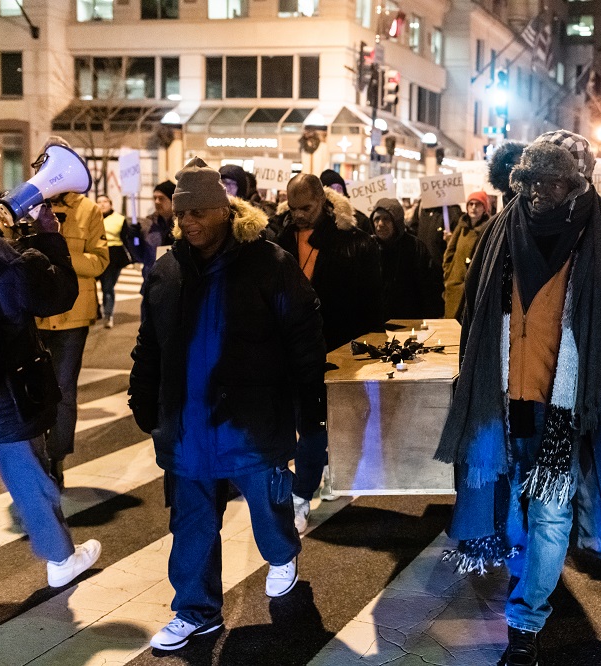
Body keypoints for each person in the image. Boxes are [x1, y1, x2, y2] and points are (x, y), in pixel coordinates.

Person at [435, 131, 601, 666]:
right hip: (503, 403)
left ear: (576, 184)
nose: (536, 193)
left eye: (550, 181)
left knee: (551, 514)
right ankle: (528, 570)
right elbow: (471, 319)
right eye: (527, 180)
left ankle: (525, 620)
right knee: (513, 510)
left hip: (565, 408)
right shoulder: (497, 236)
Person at [129, 158, 326, 651]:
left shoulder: (268, 263)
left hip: (251, 422)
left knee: (268, 508)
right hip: (188, 424)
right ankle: (196, 610)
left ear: (223, 211)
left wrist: (310, 406)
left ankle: (282, 553)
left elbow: (304, 334)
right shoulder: (168, 271)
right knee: (192, 523)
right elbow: (149, 341)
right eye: (181, 215)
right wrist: (142, 392)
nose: (188, 223)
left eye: (197, 213)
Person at [0, 174, 102, 589]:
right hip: (0, 393)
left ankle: (62, 556)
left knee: (25, 470)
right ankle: (60, 557)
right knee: (26, 473)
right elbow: (56, 295)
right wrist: (48, 240)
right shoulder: (2, 259)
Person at [265, 174, 382, 526]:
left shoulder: (355, 242)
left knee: (316, 427)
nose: (299, 214)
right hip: (285, 350)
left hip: (333, 351)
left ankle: (301, 495)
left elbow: (372, 305)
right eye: (294, 207)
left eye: (307, 207)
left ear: (323, 199)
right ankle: (301, 487)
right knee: (295, 425)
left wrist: (364, 351)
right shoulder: (277, 239)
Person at [32, 138, 110, 489]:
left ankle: (56, 459)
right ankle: (36, 460)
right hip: (32, 313)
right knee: (31, 388)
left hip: (72, 316)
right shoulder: (27, 203)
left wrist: (58, 252)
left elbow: (100, 261)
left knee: (63, 390)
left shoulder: (88, 210)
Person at [371, 197, 444, 319]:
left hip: (411, 321)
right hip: (377, 323)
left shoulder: (415, 247)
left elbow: (430, 286)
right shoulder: (369, 247)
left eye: (386, 219)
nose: (380, 224)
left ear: (396, 221)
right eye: (377, 219)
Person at [442, 191, 492, 319]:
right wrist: (448, 272)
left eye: (478, 204)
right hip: (455, 283)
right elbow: (450, 251)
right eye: (471, 204)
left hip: (473, 287)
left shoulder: (488, 228)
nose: (474, 208)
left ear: (484, 208)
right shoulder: (462, 225)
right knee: (450, 324)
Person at [131, 180, 176, 281]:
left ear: (173, 200)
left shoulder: (183, 223)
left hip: (175, 283)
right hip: (151, 282)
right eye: (154, 198)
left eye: (161, 198)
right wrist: (133, 239)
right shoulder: (148, 224)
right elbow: (140, 256)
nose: (156, 202)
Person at [96, 194, 129, 328]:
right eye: (99, 202)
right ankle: (96, 311)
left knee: (107, 287)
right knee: (90, 286)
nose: (102, 204)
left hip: (113, 256)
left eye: (105, 201)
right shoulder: (92, 218)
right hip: (96, 254)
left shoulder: (119, 219)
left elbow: (126, 239)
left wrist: (134, 256)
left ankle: (108, 315)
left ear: (111, 204)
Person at [320, 168, 373, 234]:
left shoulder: (361, 220)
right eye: (331, 188)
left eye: (339, 188)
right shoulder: (318, 220)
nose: (336, 192)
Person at [487, 141, 528, 206]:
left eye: (521, 165)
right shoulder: (507, 196)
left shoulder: (534, 196)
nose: (517, 170)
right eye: (512, 166)